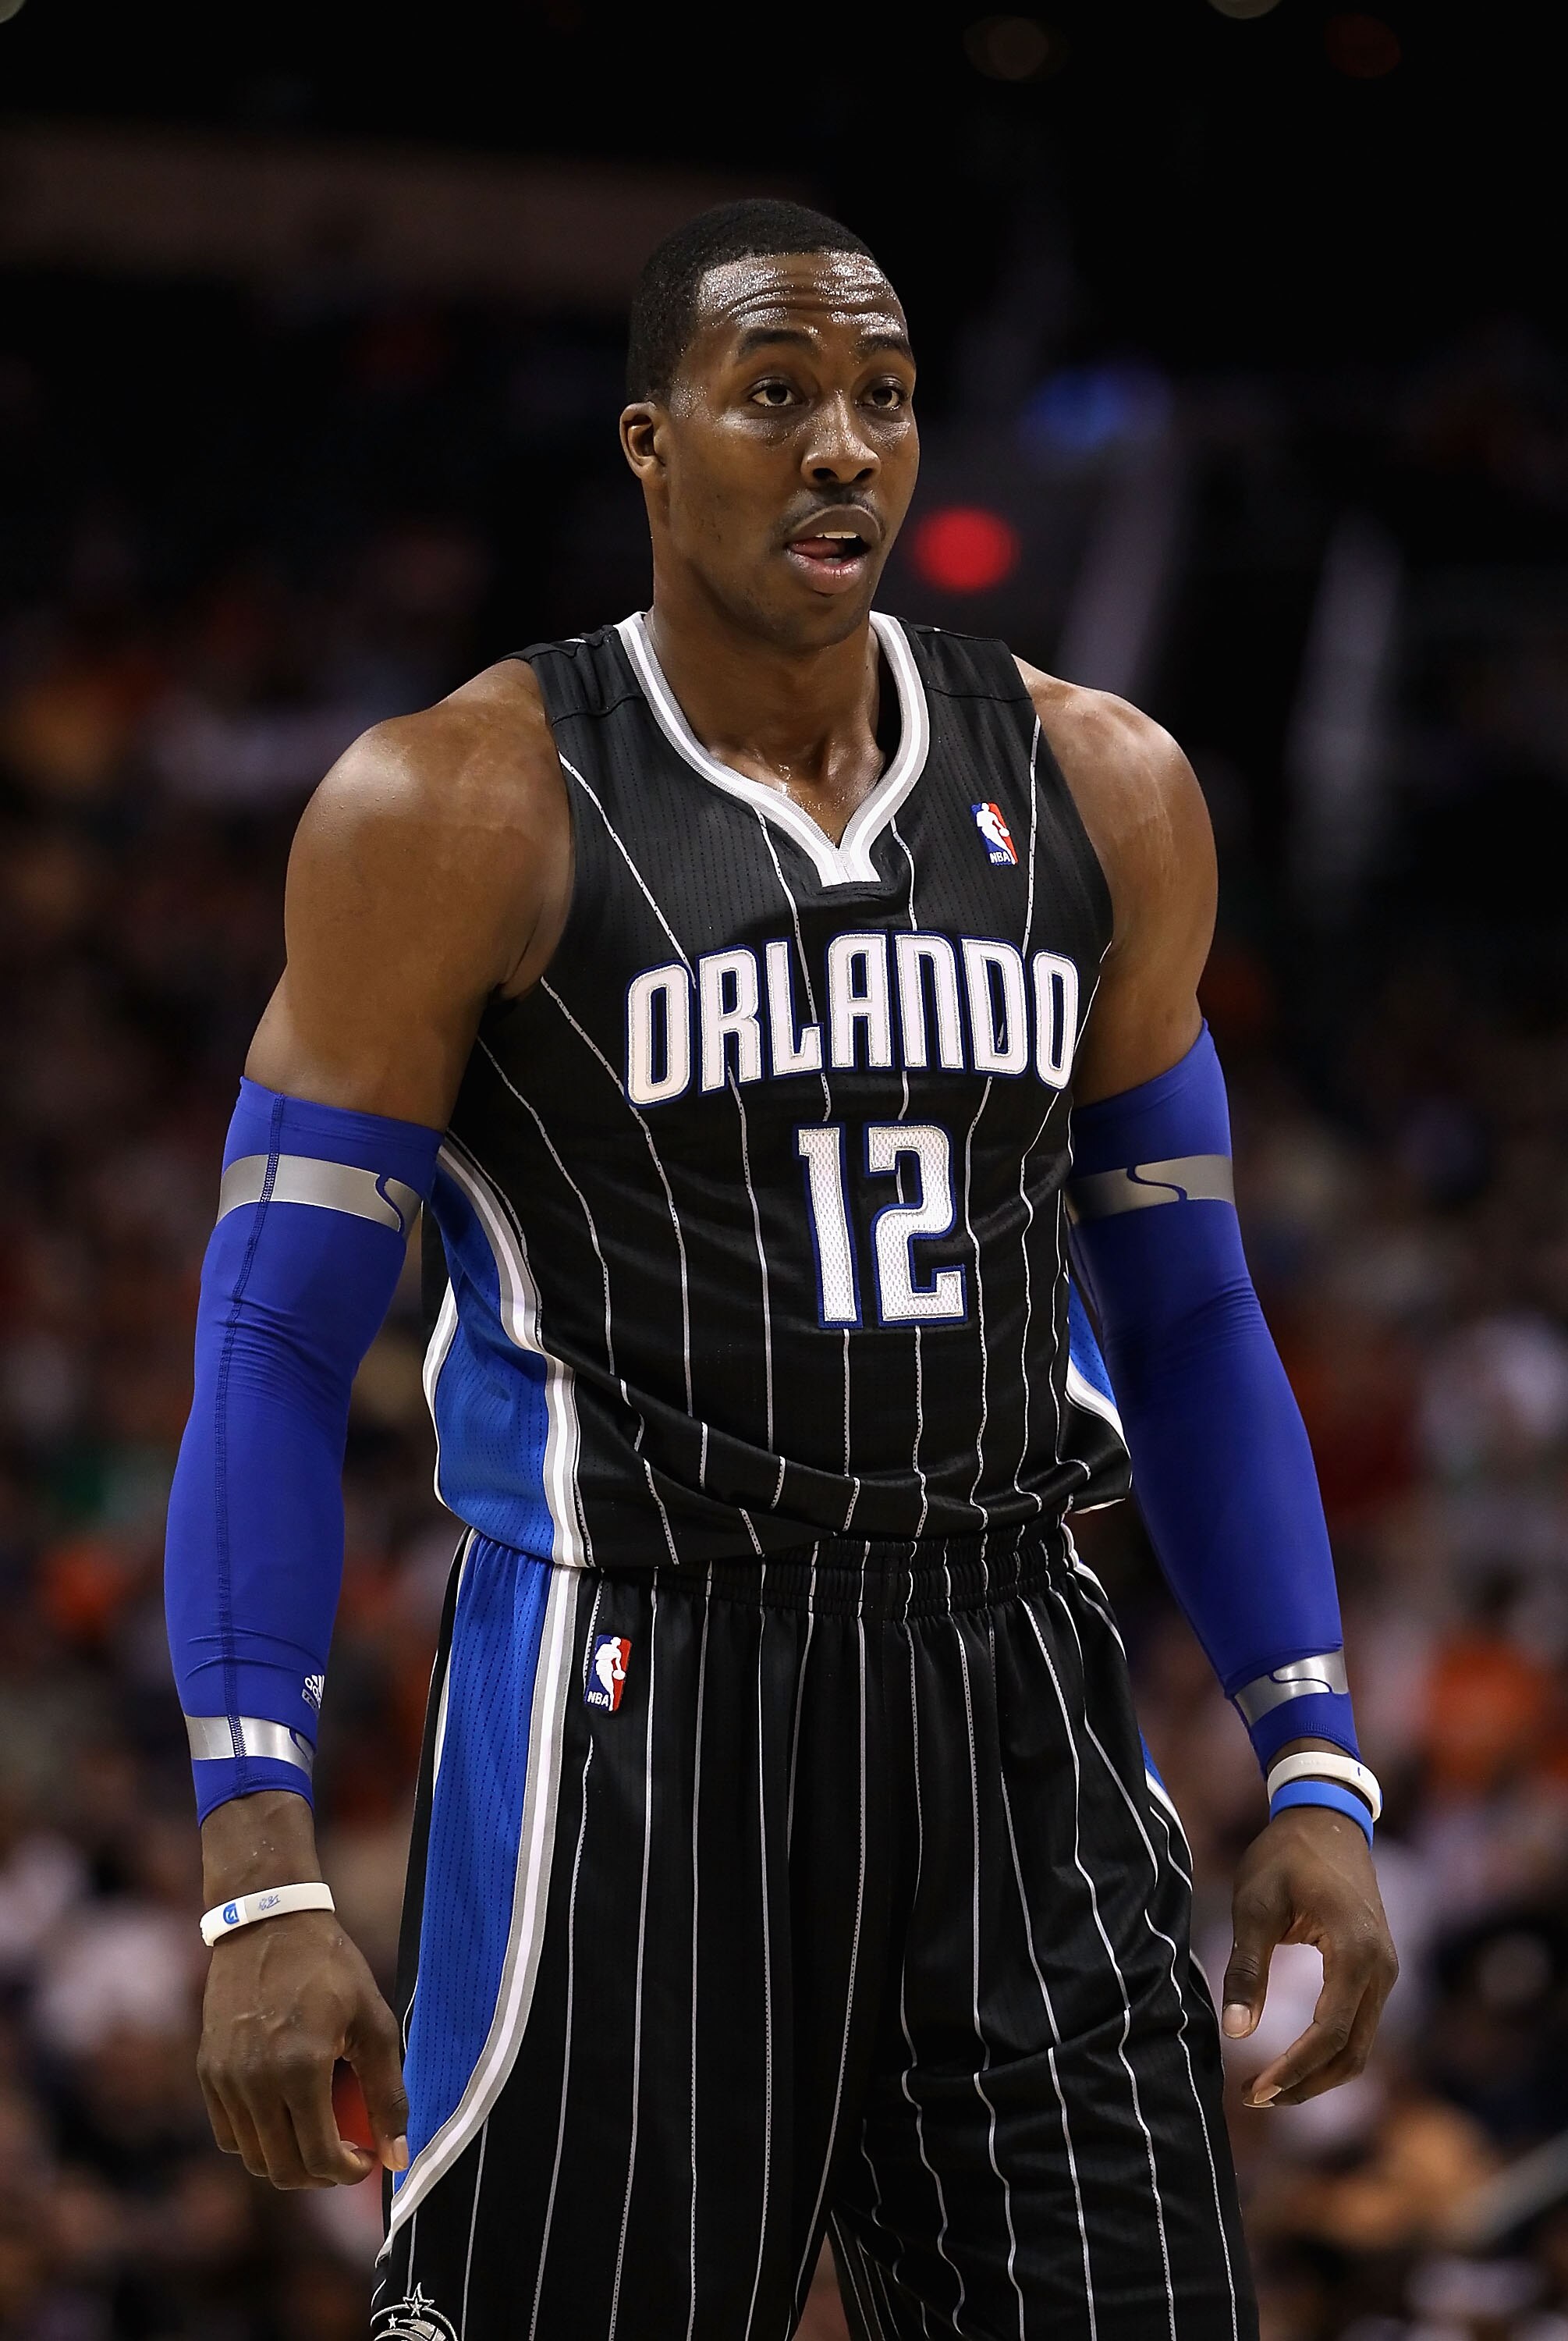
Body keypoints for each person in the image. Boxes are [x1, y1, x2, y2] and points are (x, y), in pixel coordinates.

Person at [165, 200, 1397, 2340]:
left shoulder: (1100, 783)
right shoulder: (455, 802)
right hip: (636, 1699)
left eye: (885, 400)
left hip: (1010, 1686)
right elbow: (273, 1344)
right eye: (777, 397)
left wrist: (1310, 1762)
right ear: (651, 444)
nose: (844, 448)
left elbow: (1188, 1318)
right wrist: (257, 1864)